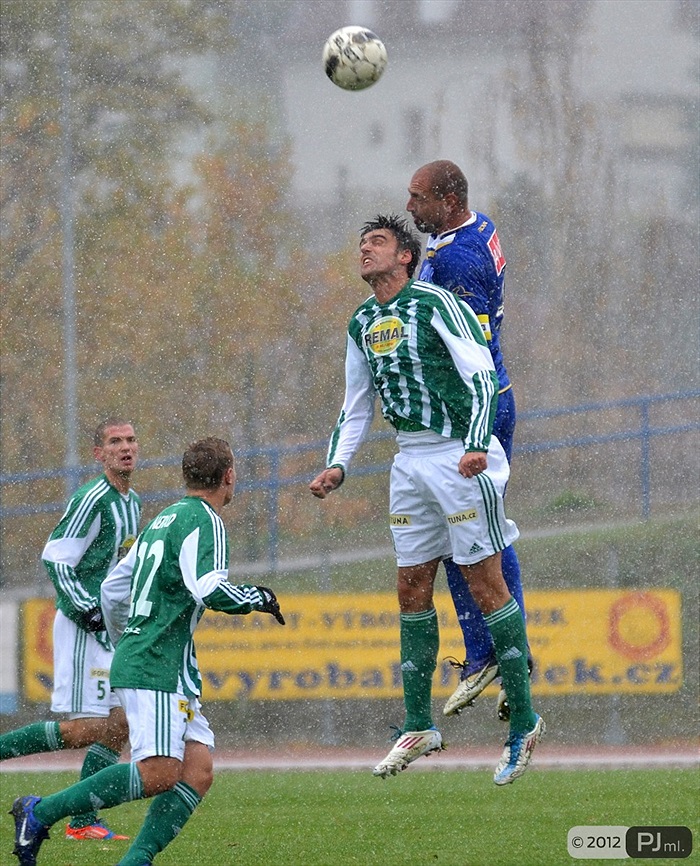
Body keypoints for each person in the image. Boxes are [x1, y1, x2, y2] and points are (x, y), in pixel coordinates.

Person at [309, 214, 543, 785]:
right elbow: (355, 404)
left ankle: (525, 723)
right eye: (362, 242)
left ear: (406, 257)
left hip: (459, 453)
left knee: (486, 583)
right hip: (409, 462)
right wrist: (338, 463)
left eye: (379, 242)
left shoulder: (438, 302)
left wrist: (475, 446)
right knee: (411, 585)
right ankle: (420, 725)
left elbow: (482, 376)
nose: (366, 249)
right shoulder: (362, 321)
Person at [10, 436, 286, 866]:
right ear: (229, 477)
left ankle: (134, 861)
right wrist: (257, 598)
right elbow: (209, 587)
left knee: (197, 771)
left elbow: (114, 587)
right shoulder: (205, 520)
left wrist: (127, 635)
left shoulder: (164, 517)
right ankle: (39, 812)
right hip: (155, 665)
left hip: (163, 665)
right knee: (159, 773)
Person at [406, 159, 530, 720]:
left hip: (476, 409)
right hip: (487, 401)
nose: (410, 208)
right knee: (481, 531)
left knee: (476, 537)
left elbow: (472, 346)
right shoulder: (474, 228)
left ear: (449, 199)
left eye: (418, 198)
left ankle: (495, 654)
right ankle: (501, 655)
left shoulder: (457, 258)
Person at [1, 418, 141, 841]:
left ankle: (82, 821)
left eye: (131, 440)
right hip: (83, 627)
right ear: (99, 454)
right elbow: (57, 556)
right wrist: (86, 608)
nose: (125, 448)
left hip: (109, 627)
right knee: (86, 730)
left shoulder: (131, 502)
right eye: (115, 442)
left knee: (122, 723)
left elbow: (118, 566)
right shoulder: (93, 498)